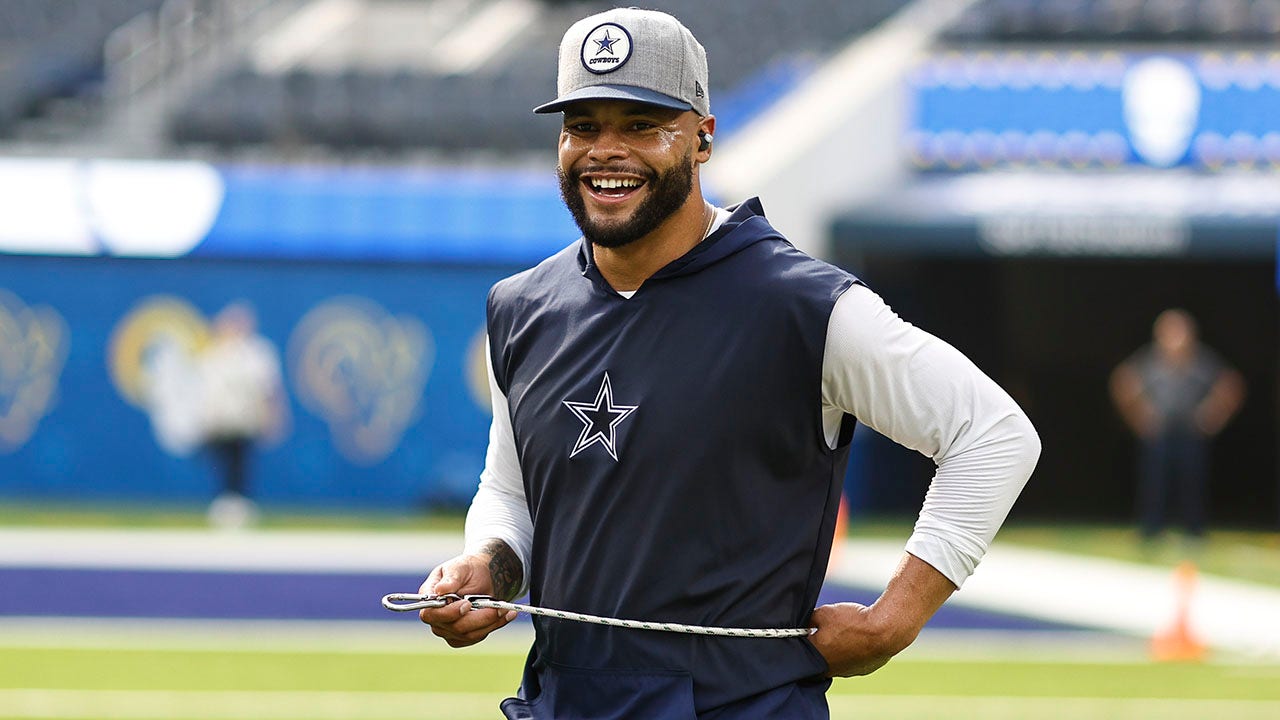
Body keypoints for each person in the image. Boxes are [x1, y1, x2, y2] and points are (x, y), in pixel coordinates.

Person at [417, 8, 1040, 718]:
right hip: (561, 700)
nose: (606, 150)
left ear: (703, 138)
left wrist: (893, 620)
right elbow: (514, 491)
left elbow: (993, 434)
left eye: (642, 124)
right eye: (583, 126)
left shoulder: (802, 305)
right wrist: (491, 566)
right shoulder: (522, 306)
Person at [1110, 309, 1244, 541]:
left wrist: (1212, 416)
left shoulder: (1201, 361)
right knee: (1154, 484)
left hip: (1190, 432)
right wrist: (1139, 417)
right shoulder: (1150, 361)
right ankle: (1151, 531)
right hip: (1160, 432)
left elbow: (1231, 385)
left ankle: (1194, 532)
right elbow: (1122, 381)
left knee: (1192, 483)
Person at [199, 302, 287, 528]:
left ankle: (240, 507)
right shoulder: (214, 353)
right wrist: (206, 418)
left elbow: (269, 389)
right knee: (222, 463)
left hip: (245, 419)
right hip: (221, 420)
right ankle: (224, 505)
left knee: (242, 462)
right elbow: (206, 391)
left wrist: (274, 417)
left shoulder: (258, 353)